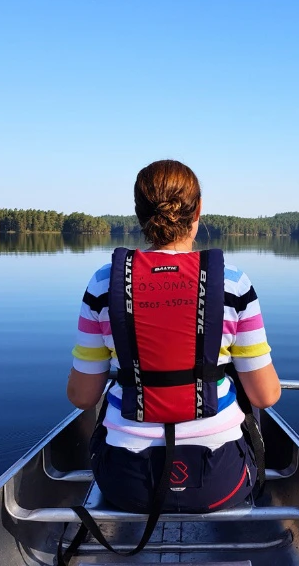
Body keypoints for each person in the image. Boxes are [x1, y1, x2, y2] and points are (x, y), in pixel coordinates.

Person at [66, 159, 281, 518]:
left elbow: (82, 396)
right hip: (220, 483)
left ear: (140, 213)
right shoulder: (233, 284)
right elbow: (266, 396)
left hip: (126, 485)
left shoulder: (103, 284)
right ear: (198, 211)